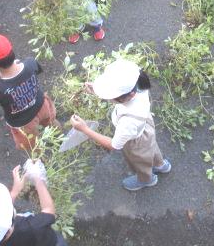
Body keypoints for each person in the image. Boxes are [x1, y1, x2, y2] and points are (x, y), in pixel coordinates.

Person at [70, 59, 171, 191]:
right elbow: (120, 91)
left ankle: (147, 179)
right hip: (146, 128)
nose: (108, 98)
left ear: (128, 96)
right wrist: (98, 89)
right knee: (152, 148)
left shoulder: (127, 122)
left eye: (110, 96)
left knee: (140, 162)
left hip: (136, 143)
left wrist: (85, 129)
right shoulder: (139, 84)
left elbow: (114, 145)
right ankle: (161, 165)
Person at [0, 164, 68, 246]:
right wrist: (38, 179)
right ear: (10, 227)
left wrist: (14, 191)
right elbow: (49, 211)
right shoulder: (32, 228)